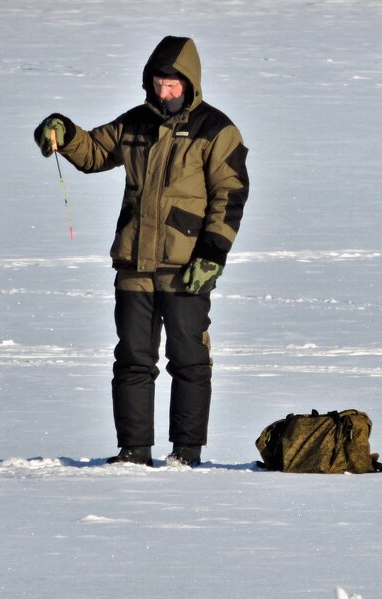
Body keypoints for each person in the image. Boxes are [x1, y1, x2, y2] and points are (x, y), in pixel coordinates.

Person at [34, 36, 249, 467]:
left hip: (187, 265)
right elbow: (95, 152)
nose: (164, 92)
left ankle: (186, 454)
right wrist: (65, 131)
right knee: (132, 360)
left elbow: (231, 193)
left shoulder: (216, 130)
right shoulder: (135, 122)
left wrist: (213, 253)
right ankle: (133, 452)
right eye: (158, 82)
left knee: (189, 360)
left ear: (190, 83)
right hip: (134, 263)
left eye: (172, 84)